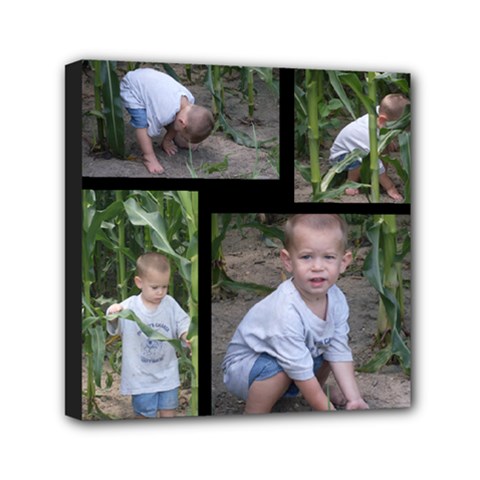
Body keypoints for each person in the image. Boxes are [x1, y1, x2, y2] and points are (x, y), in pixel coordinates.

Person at [222, 214, 369, 414]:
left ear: (344, 262)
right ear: (288, 261)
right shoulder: (285, 310)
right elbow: (295, 366)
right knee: (280, 368)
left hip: (292, 361)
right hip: (246, 368)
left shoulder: (337, 299)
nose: (317, 267)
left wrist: (355, 399)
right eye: (306, 257)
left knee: (328, 347)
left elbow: (339, 350)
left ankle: (310, 393)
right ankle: (255, 412)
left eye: (328, 257)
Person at [106, 252, 191, 418]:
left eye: (164, 287)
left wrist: (186, 335)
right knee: (144, 416)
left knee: (169, 412)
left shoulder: (170, 304)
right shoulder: (130, 307)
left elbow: (183, 323)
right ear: (139, 282)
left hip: (167, 375)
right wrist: (113, 312)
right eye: (155, 287)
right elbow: (113, 321)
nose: (160, 292)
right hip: (141, 379)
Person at [120, 67, 215, 174]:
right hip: (132, 87)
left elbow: (177, 123)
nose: (179, 132)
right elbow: (151, 130)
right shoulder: (165, 113)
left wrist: (167, 140)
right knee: (142, 124)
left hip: (147, 77)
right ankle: (148, 157)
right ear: (182, 122)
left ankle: (173, 139)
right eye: (182, 135)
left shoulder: (188, 100)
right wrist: (167, 138)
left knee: (174, 120)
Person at [329, 93, 410, 201]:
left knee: (384, 148)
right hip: (342, 158)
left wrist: (388, 140)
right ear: (382, 120)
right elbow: (376, 163)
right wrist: (390, 187)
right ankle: (350, 183)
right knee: (358, 160)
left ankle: (380, 178)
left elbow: (381, 132)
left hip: (359, 148)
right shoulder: (365, 134)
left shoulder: (378, 114)